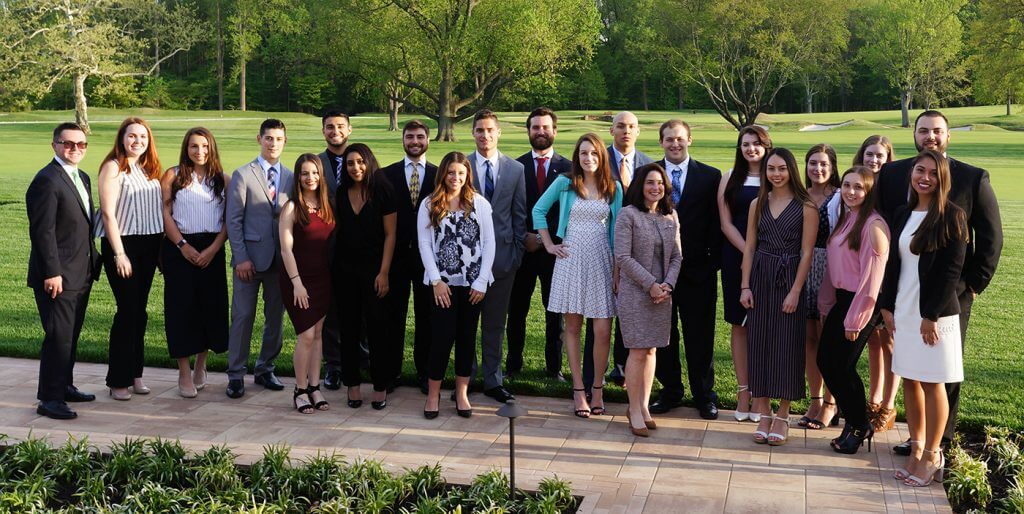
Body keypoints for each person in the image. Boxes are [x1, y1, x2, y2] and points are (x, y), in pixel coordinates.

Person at [877, 110, 1002, 455]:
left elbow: (991, 240)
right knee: (912, 373)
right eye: (923, 131)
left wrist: (972, 286)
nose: (930, 136)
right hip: (905, 296)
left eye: (937, 131)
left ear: (948, 136)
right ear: (914, 135)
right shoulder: (892, 174)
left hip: (950, 298)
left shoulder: (973, 178)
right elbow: (889, 239)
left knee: (943, 373)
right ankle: (917, 441)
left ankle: (940, 443)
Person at [879, 150, 968, 486]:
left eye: (932, 172)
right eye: (919, 170)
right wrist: (887, 306)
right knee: (910, 381)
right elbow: (893, 266)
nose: (925, 177)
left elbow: (951, 271)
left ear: (942, 178)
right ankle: (916, 450)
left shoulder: (952, 216)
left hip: (934, 317)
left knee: (933, 383)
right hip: (903, 309)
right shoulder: (902, 214)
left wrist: (929, 315)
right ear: (912, 174)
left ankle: (933, 454)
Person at [534, 133, 624, 418]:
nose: (589, 159)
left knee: (602, 331)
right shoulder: (565, 183)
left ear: (602, 157)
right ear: (577, 156)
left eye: (594, 153)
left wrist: (618, 270)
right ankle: (577, 390)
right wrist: (549, 245)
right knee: (571, 328)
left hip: (602, 261)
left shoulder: (614, 188)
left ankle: (597, 388)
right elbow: (538, 211)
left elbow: (619, 230)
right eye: (584, 153)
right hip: (571, 260)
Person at [739, 147, 817, 445]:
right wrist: (745, 285)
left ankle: (783, 414)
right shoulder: (758, 204)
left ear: (791, 170)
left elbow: (807, 252)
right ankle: (765, 411)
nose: (776, 173)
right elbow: (749, 246)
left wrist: (796, 291)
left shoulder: (805, 206)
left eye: (782, 168)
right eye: (771, 168)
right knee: (759, 342)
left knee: (786, 344)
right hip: (760, 275)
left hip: (789, 278)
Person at [648, 120, 723, 420]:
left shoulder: (710, 176)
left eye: (679, 138)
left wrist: (711, 265)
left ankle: (704, 395)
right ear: (661, 142)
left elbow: (716, 225)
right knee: (664, 335)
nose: (674, 144)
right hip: (659, 272)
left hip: (697, 271)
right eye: (669, 139)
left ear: (689, 139)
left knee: (700, 336)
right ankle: (671, 391)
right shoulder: (650, 174)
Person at [26, 122, 102, 419]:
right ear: (55, 144)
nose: (75, 149)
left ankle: (65, 385)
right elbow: (42, 232)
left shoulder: (80, 176)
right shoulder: (46, 180)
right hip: (58, 275)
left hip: (81, 271)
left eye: (81, 144)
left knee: (71, 334)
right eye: (68, 143)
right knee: (58, 336)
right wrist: (52, 272)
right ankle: (49, 398)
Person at [817, 166, 890, 454]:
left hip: (861, 306)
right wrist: (826, 303)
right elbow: (833, 265)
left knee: (841, 367)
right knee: (828, 363)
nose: (850, 191)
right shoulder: (848, 219)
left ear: (869, 191)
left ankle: (860, 425)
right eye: (847, 185)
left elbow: (872, 281)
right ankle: (856, 421)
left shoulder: (873, 225)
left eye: (858, 187)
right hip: (842, 301)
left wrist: (855, 320)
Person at [417, 152, 496, 419]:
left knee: (466, 338)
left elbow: (489, 244)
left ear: (467, 176)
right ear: (443, 174)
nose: (456, 177)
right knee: (440, 338)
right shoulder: (430, 204)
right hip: (443, 285)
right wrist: (436, 280)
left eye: (461, 173)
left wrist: (482, 281)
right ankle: (433, 394)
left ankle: (462, 393)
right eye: (451, 172)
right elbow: (425, 244)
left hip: (473, 284)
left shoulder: (480, 204)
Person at [584, 111, 655, 390]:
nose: (626, 131)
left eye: (632, 126)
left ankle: (626, 371)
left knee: (632, 315)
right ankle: (593, 380)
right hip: (601, 250)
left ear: (638, 131)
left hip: (639, 255)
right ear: (611, 130)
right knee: (599, 318)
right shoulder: (598, 163)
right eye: (621, 126)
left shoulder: (649, 165)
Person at [96, 117, 164, 401]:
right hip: (122, 245)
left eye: (143, 137)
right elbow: (108, 213)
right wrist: (120, 253)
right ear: (122, 138)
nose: (137, 141)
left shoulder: (149, 169)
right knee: (127, 312)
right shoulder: (113, 167)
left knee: (140, 312)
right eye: (132, 136)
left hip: (149, 245)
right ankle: (118, 380)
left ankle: (136, 374)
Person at [225, 118, 293, 398]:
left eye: (278, 139)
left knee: (275, 319)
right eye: (268, 138)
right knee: (242, 317)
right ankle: (236, 374)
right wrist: (240, 257)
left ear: (284, 141)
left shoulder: (291, 175)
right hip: (248, 261)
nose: (273, 143)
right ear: (259, 139)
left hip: (280, 261)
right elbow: (234, 220)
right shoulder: (243, 174)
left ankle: (265, 368)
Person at [159, 127, 229, 398]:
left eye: (204, 146)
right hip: (179, 248)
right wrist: (182, 246)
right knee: (181, 310)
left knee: (209, 308)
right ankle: (184, 372)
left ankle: (201, 364)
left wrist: (213, 249)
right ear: (186, 149)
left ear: (212, 149)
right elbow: (165, 214)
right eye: (193, 146)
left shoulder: (223, 179)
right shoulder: (172, 175)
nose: (199, 152)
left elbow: (228, 221)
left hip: (212, 248)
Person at [615, 163, 682, 437]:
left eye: (660, 183)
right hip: (635, 293)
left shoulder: (671, 216)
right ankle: (632, 409)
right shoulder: (628, 215)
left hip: (661, 295)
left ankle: (643, 407)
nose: (656, 188)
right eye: (650, 183)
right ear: (640, 185)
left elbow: (677, 256)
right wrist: (650, 284)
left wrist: (667, 285)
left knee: (652, 350)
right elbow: (622, 257)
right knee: (637, 350)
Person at [507, 107, 572, 381]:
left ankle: (553, 367)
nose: (541, 132)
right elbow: (509, 208)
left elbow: (569, 211)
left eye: (546, 127)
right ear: (528, 131)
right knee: (517, 311)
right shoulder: (515, 166)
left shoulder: (570, 168)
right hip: (522, 250)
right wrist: (524, 236)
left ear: (554, 131)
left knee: (553, 313)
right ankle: (512, 365)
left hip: (555, 252)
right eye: (535, 127)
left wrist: (549, 241)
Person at [467, 109, 526, 404]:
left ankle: (493, 380)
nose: (485, 135)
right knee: (466, 324)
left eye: (490, 130)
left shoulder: (515, 170)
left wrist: (515, 253)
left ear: (498, 132)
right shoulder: (461, 166)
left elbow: (519, 215)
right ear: (473, 133)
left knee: (494, 323)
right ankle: (467, 376)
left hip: (503, 260)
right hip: (466, 262)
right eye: (479, 130)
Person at [335, 144, 398, 409]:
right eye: (350, 163)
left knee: (377, 330)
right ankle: (352, 385)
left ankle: (380, 385)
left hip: (375, 271)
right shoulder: (341, 192)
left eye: (360, 162)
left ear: (369, 162)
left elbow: (390, 235)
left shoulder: (383, 190)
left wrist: (384, 272)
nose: (356, 167)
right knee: (348, 329)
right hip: (345, 270)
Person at [717, 125, 771, 422]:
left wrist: (761, 253)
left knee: (765, 327)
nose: (751, 148)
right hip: (735, 258)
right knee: (740, 324)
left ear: (766, 145)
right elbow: (726, 223)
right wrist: (747, 252)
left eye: (756, 143)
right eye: (745, 144)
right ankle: (743, 392)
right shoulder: (729, 178)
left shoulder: (776, 175)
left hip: (771, 260)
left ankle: (762, 396)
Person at [380, 120, 437, 394]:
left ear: (428, 139)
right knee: (393, 316)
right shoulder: (385, 175)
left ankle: (425, 374)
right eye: (410, 137)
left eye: (420, 136)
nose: (415, 141)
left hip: (430, 260)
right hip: (396, 257)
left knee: (427, 316)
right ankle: (391, 372)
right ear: (403, 140)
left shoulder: (440, 176)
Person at [850, 135, 899, 433]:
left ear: (888, 157)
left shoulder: (894, 187)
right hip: (865, 270)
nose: (875, 160)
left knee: (891, 341)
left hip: (891, 271)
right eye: (870, 154)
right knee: (873, 341)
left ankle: (889, 405)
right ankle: (874, 399)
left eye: (881, 155)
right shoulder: (858, 182)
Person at [279, 154, 335, 413]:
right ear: (297, 177)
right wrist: (296, 284)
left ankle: (314, 387)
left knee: (319, 334)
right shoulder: (291, 207)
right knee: (306, 335)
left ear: (321, 176)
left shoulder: (327, 206)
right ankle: (300, 389)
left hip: (323, 278)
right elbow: (286, 250)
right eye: (304, 173)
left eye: (314, 173)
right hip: (297, 279)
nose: (309, 178)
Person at [799, 144, 841, 430]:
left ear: (833, 166)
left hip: (831, 269)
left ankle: (831, 403)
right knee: (809, 339)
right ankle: (814, 399)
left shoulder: (840, 196)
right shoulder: (799, 195)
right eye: (813, 163)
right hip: (803, 269)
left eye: (824, 163)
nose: (818, 169)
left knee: (830, 341)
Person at [317, 109, 352, 390]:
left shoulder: (361, 160)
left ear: (349, 129)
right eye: (329, 127)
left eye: (340, 126)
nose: (335, 131)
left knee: (360, 307)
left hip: (358, 247)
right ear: (323, 131)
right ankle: (334, 365)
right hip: (324, 246)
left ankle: (361, 360)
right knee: (330, 309)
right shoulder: (314, 163)